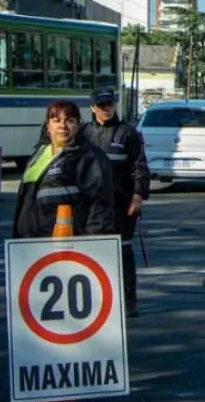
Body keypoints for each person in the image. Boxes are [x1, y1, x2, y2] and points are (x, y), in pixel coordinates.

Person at [86, 87, 151, 317]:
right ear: (93, 107)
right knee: (91, 253)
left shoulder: (128, 133)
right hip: (91, 205)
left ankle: (128, 302)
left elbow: (140, 166)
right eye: (102, 105)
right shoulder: (84, 134)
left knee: (123, 252)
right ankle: (96, 302)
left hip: (121, 203)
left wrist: (138, 195)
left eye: (110, 104)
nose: (107, 109)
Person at [14, 100, 115, 240]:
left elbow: (100, 204)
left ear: (78, 126)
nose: (63, 126)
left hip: (69, 243)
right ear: (48, 125)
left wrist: (95, 242)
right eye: (56, 120)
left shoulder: (88, 157)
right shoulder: (40, 153)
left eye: (70, 121)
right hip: (33, 243)